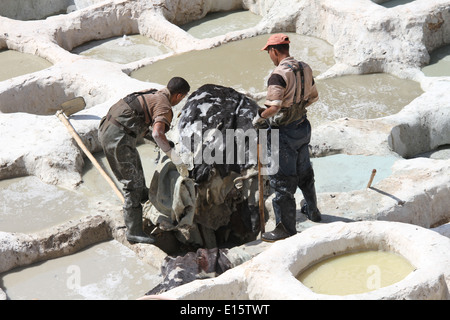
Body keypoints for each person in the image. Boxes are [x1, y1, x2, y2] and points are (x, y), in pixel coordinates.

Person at [98, 77, 190, 244]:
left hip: (110, 129)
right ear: (178, 96)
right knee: (132, 184)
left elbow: (141, 123)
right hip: (118, 138)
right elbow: (157, 133)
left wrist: (162, 143)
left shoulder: (154, 93)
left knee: (137, 173)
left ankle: (145, 203)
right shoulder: (164, 106)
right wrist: (173, 156)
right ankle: (134, 231)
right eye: (182, 98)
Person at [253, 34, 321, 242]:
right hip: (303, 127)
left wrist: (259, 118)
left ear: (274, 50)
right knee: (305, 172)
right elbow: (314, 96)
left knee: (282, 181)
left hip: (284, 134)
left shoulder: (278, 74)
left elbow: (273, 107)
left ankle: (285, 229)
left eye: (269, 52)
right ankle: (312, 210)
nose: (270, 56)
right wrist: (297, 109)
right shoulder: (305, 67)